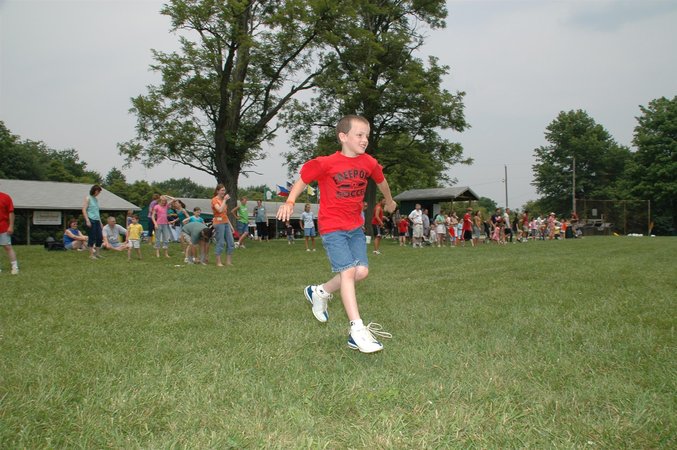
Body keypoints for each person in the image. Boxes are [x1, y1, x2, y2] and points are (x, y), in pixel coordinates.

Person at [276, 114, 396, 354]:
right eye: (359, 135)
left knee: (361, 272)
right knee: (348, 272)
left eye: (367, 136)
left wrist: (390, 200)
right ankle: (357, 330)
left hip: (355, 227)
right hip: (332, 227)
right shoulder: (326, 163)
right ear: (343, 137)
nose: (364, 140)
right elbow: (302, 181)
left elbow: (381, 181)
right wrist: (289, 201)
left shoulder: (369, 162)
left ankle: (319, 292)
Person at [211, 184, 235, 267]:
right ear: (217, 191)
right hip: (218, 223)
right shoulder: (214, 200)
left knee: (231, 242)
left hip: (225, 222)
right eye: (222, 190)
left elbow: (225, 215)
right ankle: (218, 262)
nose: (223, 192)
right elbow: (219, 210)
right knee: (220, 242)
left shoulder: (223, 201)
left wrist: (231, 226)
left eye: (224, 190)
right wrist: (224, 200)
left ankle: (228, 262)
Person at [82, 184, 103, 260]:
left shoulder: (96, 200)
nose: (99, 193)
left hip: (97, 220)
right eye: (99, 192)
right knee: (92, 237)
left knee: (99, 237)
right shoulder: (88, 198)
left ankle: (97, 254)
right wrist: (87, 220)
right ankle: (91, 255)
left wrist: (100, 222)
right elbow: (84, 209)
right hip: (91, 219)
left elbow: (97, 212)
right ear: (95, 191)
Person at [0, 191, 19, 274]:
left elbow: (11, 212)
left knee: (7, 247)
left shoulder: (5, 197)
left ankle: (15, 267)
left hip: (3, 226)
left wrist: (11, 226)